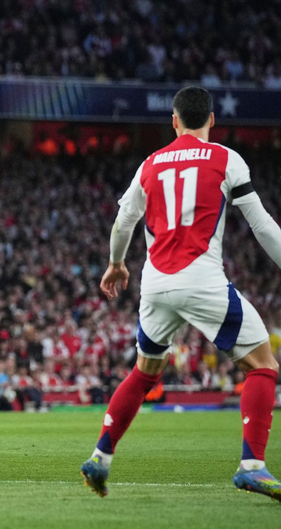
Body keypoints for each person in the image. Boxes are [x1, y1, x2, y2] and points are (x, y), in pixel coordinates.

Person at [80, 87, 281, 500]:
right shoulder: (227, 158)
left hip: (155, 284)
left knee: (144, 373)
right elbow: (261, 226)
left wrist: (117, 263)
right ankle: (253, 466)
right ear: (211, 120)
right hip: (200, 278)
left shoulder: (150, 164)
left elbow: (123, 223)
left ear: (173, 121)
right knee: (263, 366)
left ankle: (100, 457)